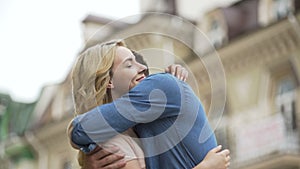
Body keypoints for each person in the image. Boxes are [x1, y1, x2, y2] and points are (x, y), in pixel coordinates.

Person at [68, 39, 230, 169]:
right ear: (108, 81)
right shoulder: (114, 144)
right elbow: (79, 131)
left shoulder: (160, 90)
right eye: (129, 64)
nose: (144, 68)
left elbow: (79, 131)